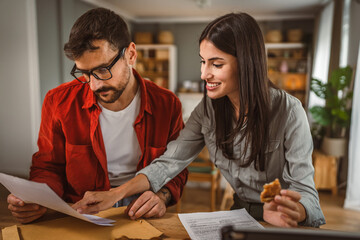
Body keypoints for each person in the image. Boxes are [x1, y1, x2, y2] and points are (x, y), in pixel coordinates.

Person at [72, 12, 326, 228]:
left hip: (280, 221)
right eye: (203, 62)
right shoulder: (209, 109)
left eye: (216, 64)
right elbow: (169, 162)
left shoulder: (290, 112)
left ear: (247, 64)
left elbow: (309, 198)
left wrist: (297, 211)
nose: (204, 73)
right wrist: (114, 194)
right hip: (238, 215)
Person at [7, 8, 188, 223]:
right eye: (85, 72)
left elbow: (176, 168)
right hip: (81, 212)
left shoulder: (167, 105)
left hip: (139, 212)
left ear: (130, 54)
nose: (94, 85)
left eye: (103, 70)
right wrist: (35, 198)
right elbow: (48, 166)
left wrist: (161, 196)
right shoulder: (58, 101)